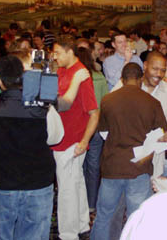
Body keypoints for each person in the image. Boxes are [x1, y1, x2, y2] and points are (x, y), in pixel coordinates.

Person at [90, 63, 167, 240]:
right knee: (137, 218)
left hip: (112, 166)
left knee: (104, 216)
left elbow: (103, 132)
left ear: (122, 78)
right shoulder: (152, 102)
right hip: (139, 168)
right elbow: (163, 134)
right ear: (140, 79)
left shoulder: (107, 100)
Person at [0, 55, 56, 240]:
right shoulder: (42, 108)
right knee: (34, 234)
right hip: (37, 181)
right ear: (23, 76)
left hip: (2, 182)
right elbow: (56, 137)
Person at [52, 36, 99, 240]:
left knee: (67, 190)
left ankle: (68, 234)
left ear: (70, 52)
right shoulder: (62, 70)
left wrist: (84, 141)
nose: (54, 57)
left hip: (72, 141)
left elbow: (94, 113)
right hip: (63, 139)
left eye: (57, 53)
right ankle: (81, 225)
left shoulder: (82, 75)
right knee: (75, 183)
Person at [76, 47, 108, 212]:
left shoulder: (74, 78)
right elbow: (104, 103)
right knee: (94, 166)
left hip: (78, 126)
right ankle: (91, 203)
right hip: (96, 127)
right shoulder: (99, 78)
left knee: (78, 166)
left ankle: (78, 202)